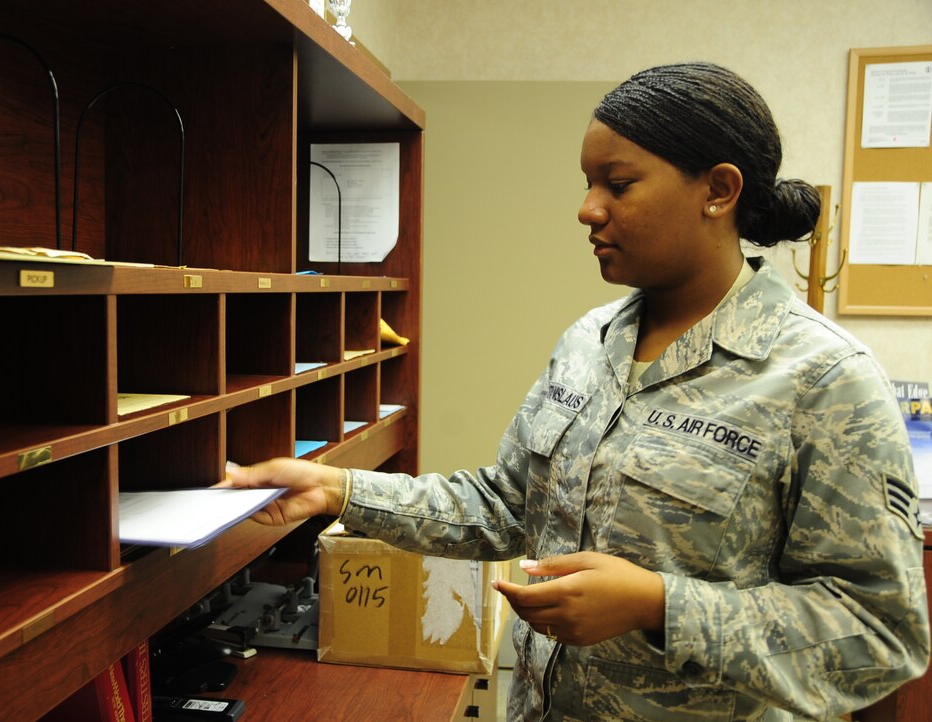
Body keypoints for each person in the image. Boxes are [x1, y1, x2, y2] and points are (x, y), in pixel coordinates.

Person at [218, 62, 930, 721]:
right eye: (588, 183)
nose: (587, 210)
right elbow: (505, 507)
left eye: (617, 185)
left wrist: (658, 605)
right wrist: (339, 491)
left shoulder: (823, 378)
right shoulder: (590, 341)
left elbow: (881, 635)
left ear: (719, 190)